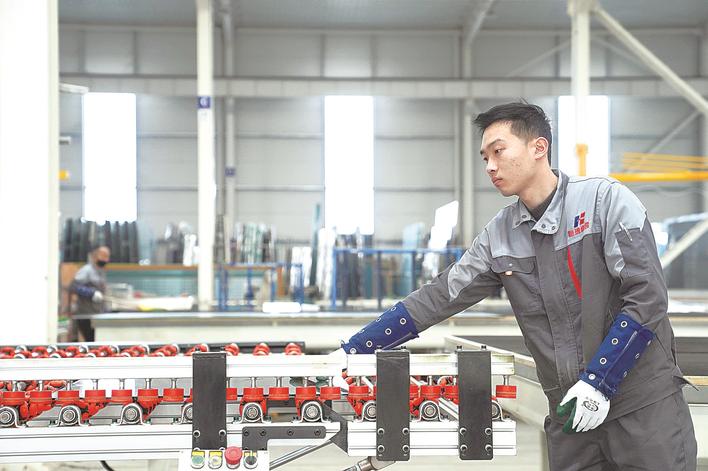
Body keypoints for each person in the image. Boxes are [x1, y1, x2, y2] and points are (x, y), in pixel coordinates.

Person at [334, 102, 697, 470]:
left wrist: (601, 379)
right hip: (570, 414)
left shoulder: (605, 202)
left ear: (538, 148)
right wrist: (356, 347)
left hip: (641, 409)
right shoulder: (501, 235)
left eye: (498, 151)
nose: (490, 166)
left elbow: (647, 297)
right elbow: (441, 294)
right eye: (485, 157)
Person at [70, 245, 110, 342]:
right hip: (86, 315)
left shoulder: (100, 272)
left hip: (97, 315)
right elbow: (74, 286)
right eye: (103, 256)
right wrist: (92, 293)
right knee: (91, 342)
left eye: (107, 257)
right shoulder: (86, 270)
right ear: (95, 256)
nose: (106, 259)